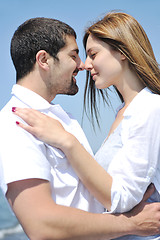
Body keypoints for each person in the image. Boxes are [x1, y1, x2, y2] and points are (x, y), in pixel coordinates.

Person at [0, 16, 160, 240]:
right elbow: (40, 226)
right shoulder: (16, 121)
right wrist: (130, 224)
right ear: (44, 60)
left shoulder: (63, 120)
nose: (82, 64)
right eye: (74, 55)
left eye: (90, 54)